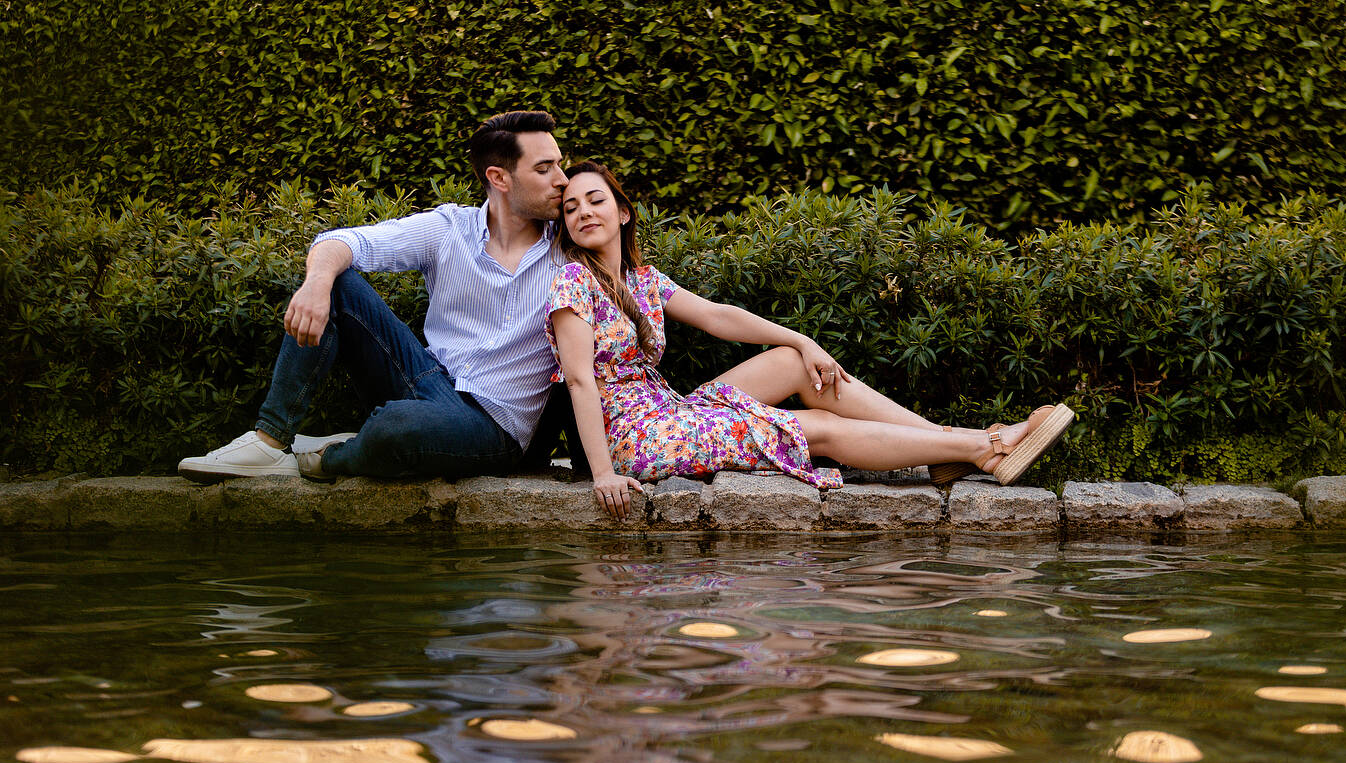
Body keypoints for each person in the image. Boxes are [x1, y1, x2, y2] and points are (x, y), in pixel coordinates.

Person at [546, 162, 1075, 519]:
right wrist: (603, 474)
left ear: (623, 212)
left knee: (794, 363)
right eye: (570, 208)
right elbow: (578, 381)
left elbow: (718, 316)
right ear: (566, 226)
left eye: (595, 200)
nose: (583, 212)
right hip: (634, 438)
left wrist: (802, 340)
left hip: (667, 412)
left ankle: (945, 446)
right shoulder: (572, 282)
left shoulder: (641, 280)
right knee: (814, 426)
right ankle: (985, 447)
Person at [178, 109, 571, 483]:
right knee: (338, 282)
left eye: (559, 164)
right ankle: (269, 442)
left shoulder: (571, 251)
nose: (562, 179)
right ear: (499, 178)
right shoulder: (449, 228)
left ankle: (327, 458)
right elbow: (343, 241)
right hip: (428, 382)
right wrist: (316, 284)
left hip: (494, 426)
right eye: (544, 168)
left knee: (396, 426)